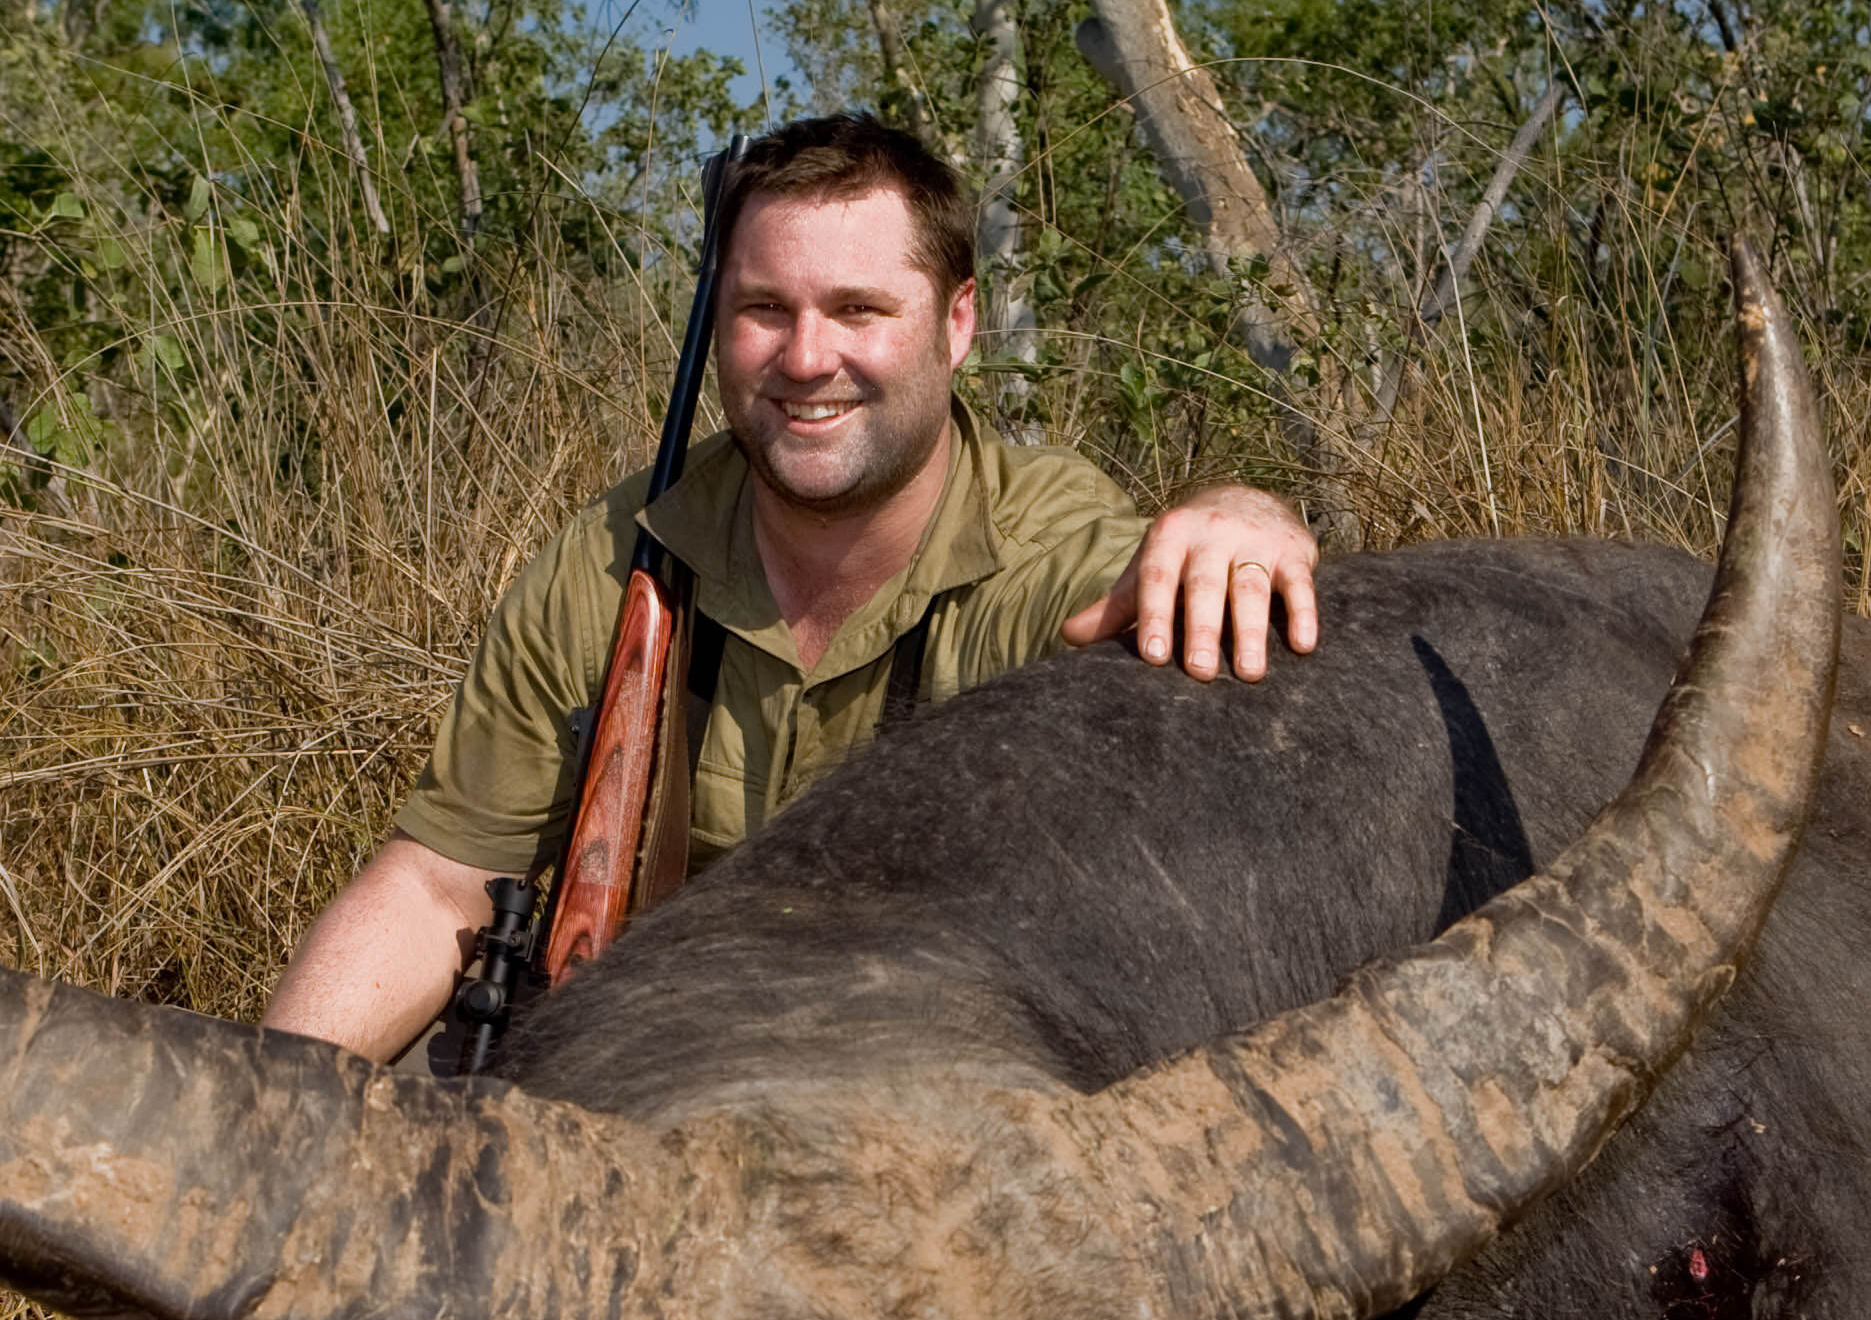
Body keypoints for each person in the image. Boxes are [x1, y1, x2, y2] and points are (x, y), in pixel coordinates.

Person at [264, 114, 1326, 1062]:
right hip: (648, 1062)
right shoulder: (611, 555)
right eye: (765, 308)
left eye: (859, 309)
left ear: (958, 325)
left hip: (943, 1084)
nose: (806, 356)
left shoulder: (1039, 540)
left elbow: (1139, 572)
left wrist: (1242, 515)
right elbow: (437, 880)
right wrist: (269, 1118)